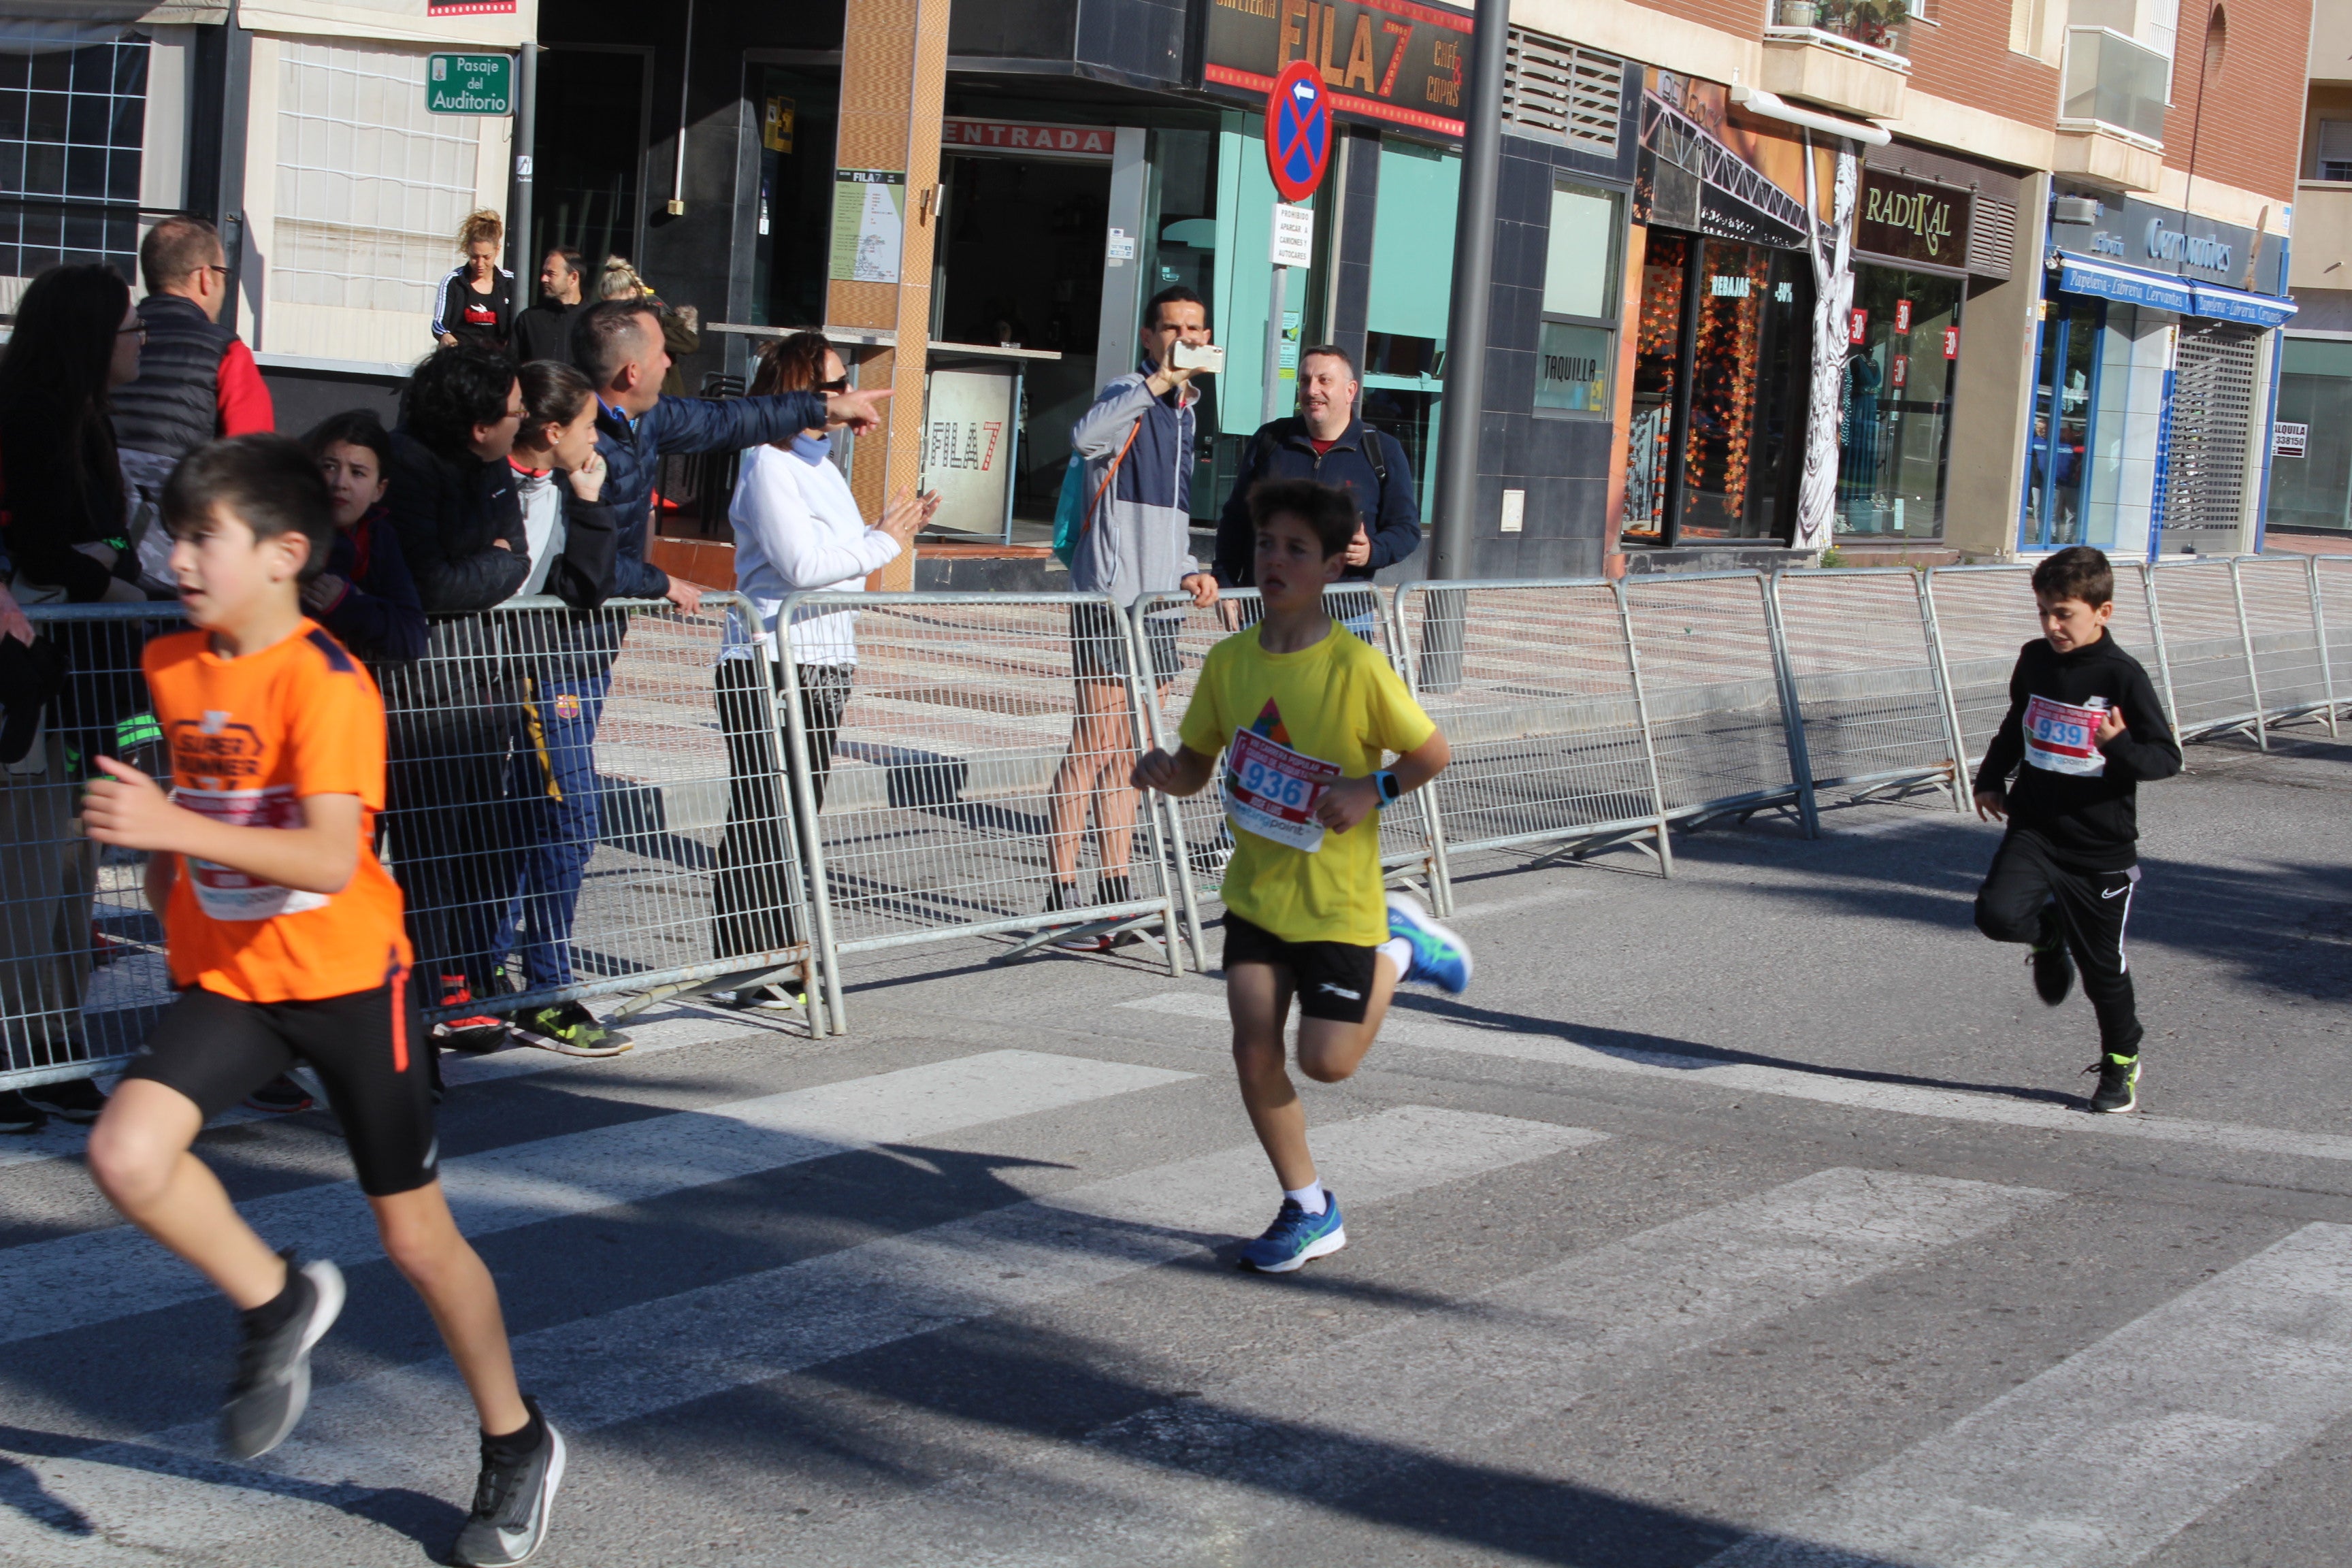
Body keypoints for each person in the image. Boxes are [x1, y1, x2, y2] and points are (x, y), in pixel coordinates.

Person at [79, 434, 562, 1566]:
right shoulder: (170, 665)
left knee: (415, 1238)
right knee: (126, 1151)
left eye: (206, 536)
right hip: (236, 985)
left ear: (286, 553)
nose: (180, 556)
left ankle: (515, 1435)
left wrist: (169, 830)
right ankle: (275, 1299)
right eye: (175, 533)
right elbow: (182, 821)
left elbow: (332, 855)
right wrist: (161, 857)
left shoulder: (329, 681)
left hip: (351, 984)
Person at [1131, 478, 1471, 1273]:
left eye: (1296, 549)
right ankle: (1308, 1206)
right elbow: (1195, 766)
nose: (1275, 560)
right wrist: (1163, 773)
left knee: (1329, 1063)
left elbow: (1431, 753)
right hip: (1257, 897)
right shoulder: (1228, 662)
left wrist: (1371, 787)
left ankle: (1398, 946)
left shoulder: (1357, 668)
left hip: (1339, 905)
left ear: (1327, 569)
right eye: (1267, 544)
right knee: (1254, 1048)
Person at [714, 331, 930, 986]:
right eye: (835, 387)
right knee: (763, 812)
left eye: (845, 385)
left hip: (824, 658)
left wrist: (886, 531)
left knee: (798, 811)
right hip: (769, 659)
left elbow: (837, 562)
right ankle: (748, 960)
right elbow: (802, 566)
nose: (848, 397)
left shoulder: (821, 463)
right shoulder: (767, 463)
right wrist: (884, 546)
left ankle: (780, 952)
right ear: (800, 395)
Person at [0, 263, 150, 1129]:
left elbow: (100, 552)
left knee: (72, 877)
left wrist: (113, 575)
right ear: (89, 339)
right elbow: (56, 552)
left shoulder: (86, 421)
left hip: (88, 680)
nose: (142, 341)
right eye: (130, 328)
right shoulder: (26, 419)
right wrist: (113, 583)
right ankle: (13, 1053)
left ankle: (53, 1048)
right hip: (39, 679)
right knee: (25, 870)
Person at [1972, 545, 2180, 1115]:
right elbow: (2017, 721)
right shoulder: (2035, 658)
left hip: (2099, 845)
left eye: (2064, 613)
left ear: (2102, 612)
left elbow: (2166, 759)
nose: (2052, 625)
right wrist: (1992, 777)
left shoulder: (2122, 676)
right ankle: (2046, 935)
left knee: (2102, 969)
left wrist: (2119, 747)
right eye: (2043, 612)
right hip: (2035, 825)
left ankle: (2121, 1060)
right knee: (1997, 915)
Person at [1047, 284, 1220, 943]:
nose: (1184, 340)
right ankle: (1060, 895)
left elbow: (1171, 516)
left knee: (1132, 754)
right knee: (1090, 746)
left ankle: (1114, 893)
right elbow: (1085, 438)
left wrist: (1191, 571)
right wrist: (1155, 384)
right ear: (1150, 338)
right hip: (1110, 600)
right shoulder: (1127, 392)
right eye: (1172, 329)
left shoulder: (1189, 414)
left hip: (1161, 606)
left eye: (1195, 330)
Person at [382, 347, 531, 1050]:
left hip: (487, 684)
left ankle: (460, 977)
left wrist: (497, 562)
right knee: (427, 852)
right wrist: (496, 561)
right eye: (512, 411)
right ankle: (424, 991)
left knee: (478, 843)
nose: (523, 418)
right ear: (477, 424)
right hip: (426, 694)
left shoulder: (494, 466)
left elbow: (519, 556)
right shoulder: (408, 466)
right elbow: (431, 583)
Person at [569, 297, 889, 620]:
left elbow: (728, 421)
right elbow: (586, 560)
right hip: (557, 634)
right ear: (633, 372)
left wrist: (821, 407)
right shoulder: (574, 443)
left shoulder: (650, 417)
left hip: (599, 626)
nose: (668, 363)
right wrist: (659, 582)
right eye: (660, 353)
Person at [492, 359, 625, 1054]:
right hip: (492, 675)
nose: (596, 439)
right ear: (550, 429)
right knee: (556, 819)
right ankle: (526, 984)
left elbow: (585, 588)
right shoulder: (490, 484)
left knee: (549, 816)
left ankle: (525, 979)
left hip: (547, 668)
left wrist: (594, 503)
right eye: (586, 427)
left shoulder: (567, 486)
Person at [1209, 344, 1420, 636]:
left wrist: (1373, 551)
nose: (1312, 390)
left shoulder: (1382, 450)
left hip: (1344, 618)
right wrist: (1226, 584)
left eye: (1324, 380)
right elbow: (1236, 520)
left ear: (1350, 391)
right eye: (1305, 380)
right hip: (1265, 612)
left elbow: (1406, 529)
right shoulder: (1270, 440)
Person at [114, 216, 274, 585]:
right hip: (172, 564)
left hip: (94, 548)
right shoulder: (226, 350)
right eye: (224, 272)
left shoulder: (104, 341)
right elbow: (255, 468)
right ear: (206, 276)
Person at [302, 411, 427, 666]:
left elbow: (413, 637)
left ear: (379, 490)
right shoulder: (288, 532)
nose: (340, 483)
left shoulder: (380, 537)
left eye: (357, 473)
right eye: (329, 467)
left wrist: (347, 603)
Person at [433, 210, 514, 356]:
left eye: (486, 257)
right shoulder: (453, 281)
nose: (480, 264)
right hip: (460, 360)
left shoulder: (510, 282)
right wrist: (447, 338)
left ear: (497, 250)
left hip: (496, 362)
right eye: (474, 257)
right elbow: (439, 324)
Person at [511, 246, 585, 365]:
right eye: (544, 273)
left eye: (551, 274)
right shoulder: (529, 319)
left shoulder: (593, 321)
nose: (543, 279)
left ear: (573, 278)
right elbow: (513, 367)